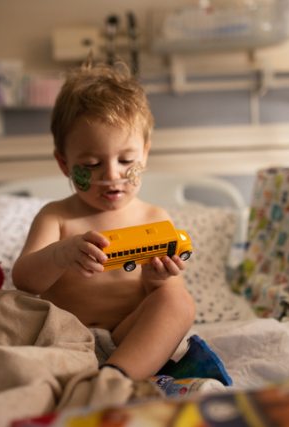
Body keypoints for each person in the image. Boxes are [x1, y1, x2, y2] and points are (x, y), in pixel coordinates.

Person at [11, 61, 196, 381]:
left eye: (126, 160)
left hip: (130, 338)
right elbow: (25, 280)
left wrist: (158, 279)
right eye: (92, 163)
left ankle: (114, 380)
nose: (112, 175)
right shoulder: (57, 217)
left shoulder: (154, 218)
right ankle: (104, 378)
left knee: (178, 301)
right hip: (66, 337)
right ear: (64, 164)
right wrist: (60, 254)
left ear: (145, 155)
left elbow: (165, 294)